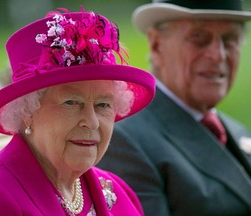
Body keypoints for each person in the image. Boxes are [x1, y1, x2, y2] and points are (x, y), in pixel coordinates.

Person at [0, 7, 155, 215]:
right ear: (27, 110)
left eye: (102, 105)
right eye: (71, 102)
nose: (91, 122)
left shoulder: (115, 189)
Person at [98, 0, 251, 215]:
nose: (218, 55)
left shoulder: (237, 131)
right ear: (156, 44)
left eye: (230, 40)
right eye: (199, 38)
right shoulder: (126, 142)